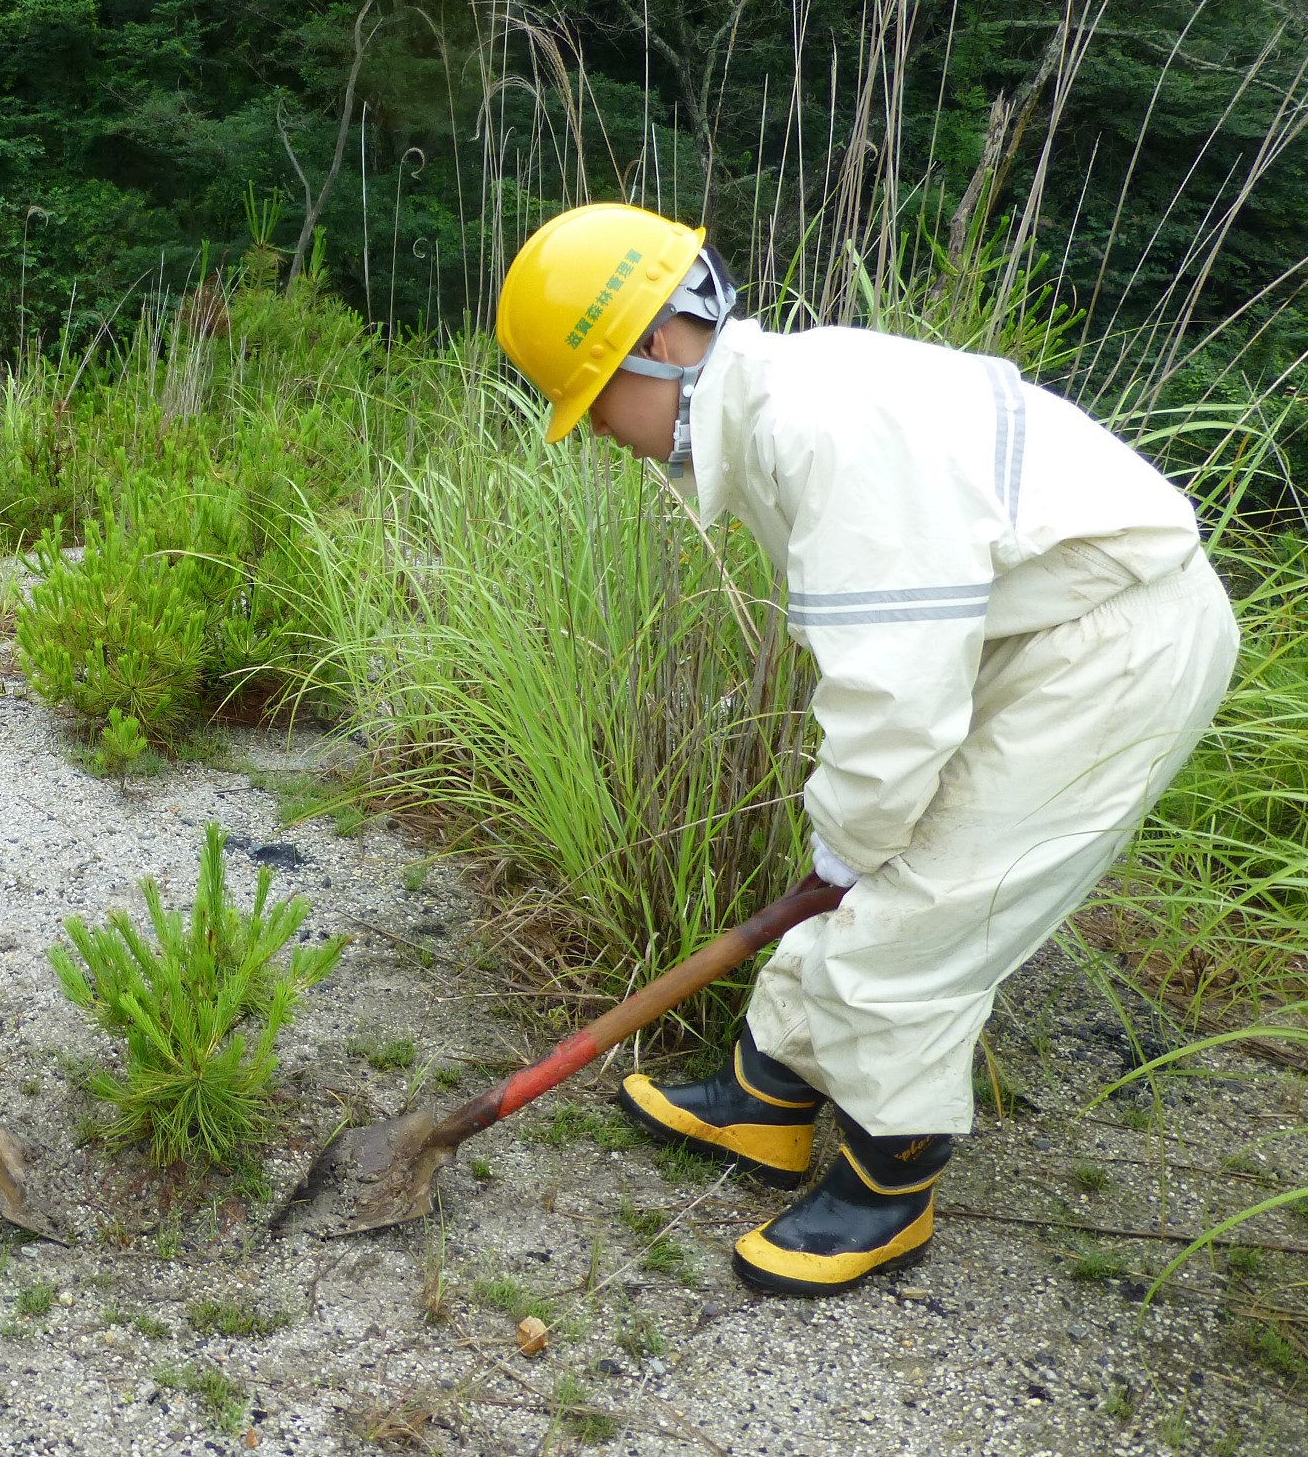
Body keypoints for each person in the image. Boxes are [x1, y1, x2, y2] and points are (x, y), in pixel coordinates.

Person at [492, 203, 1236, 1296]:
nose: (598, 431)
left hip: (1113, 647)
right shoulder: (788, 402)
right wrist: (849, 841)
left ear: (658, 343)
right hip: (1034, 629)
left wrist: (852, 840)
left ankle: (887, 1186)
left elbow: (893, 693)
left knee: (928, 901)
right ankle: (768, 1098)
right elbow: (898, 666)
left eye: (594, 398)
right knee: (866, 871)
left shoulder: (822, 425)